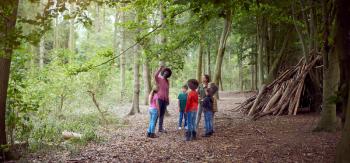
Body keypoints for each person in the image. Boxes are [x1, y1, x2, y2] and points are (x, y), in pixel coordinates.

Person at [154, 65, 172, 133]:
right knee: (157, 113)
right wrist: (159, 69)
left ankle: (160, 128)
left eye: (167, 73)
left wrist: (167, 99)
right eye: (165, 72)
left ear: (168, 75)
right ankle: (153, 128)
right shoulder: (159, 79)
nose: (166, 73)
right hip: (159, 98)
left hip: (164, 99)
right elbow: (155, 76)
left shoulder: (167, 81)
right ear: (163, 72)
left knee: (162, 114)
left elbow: (167, 91)